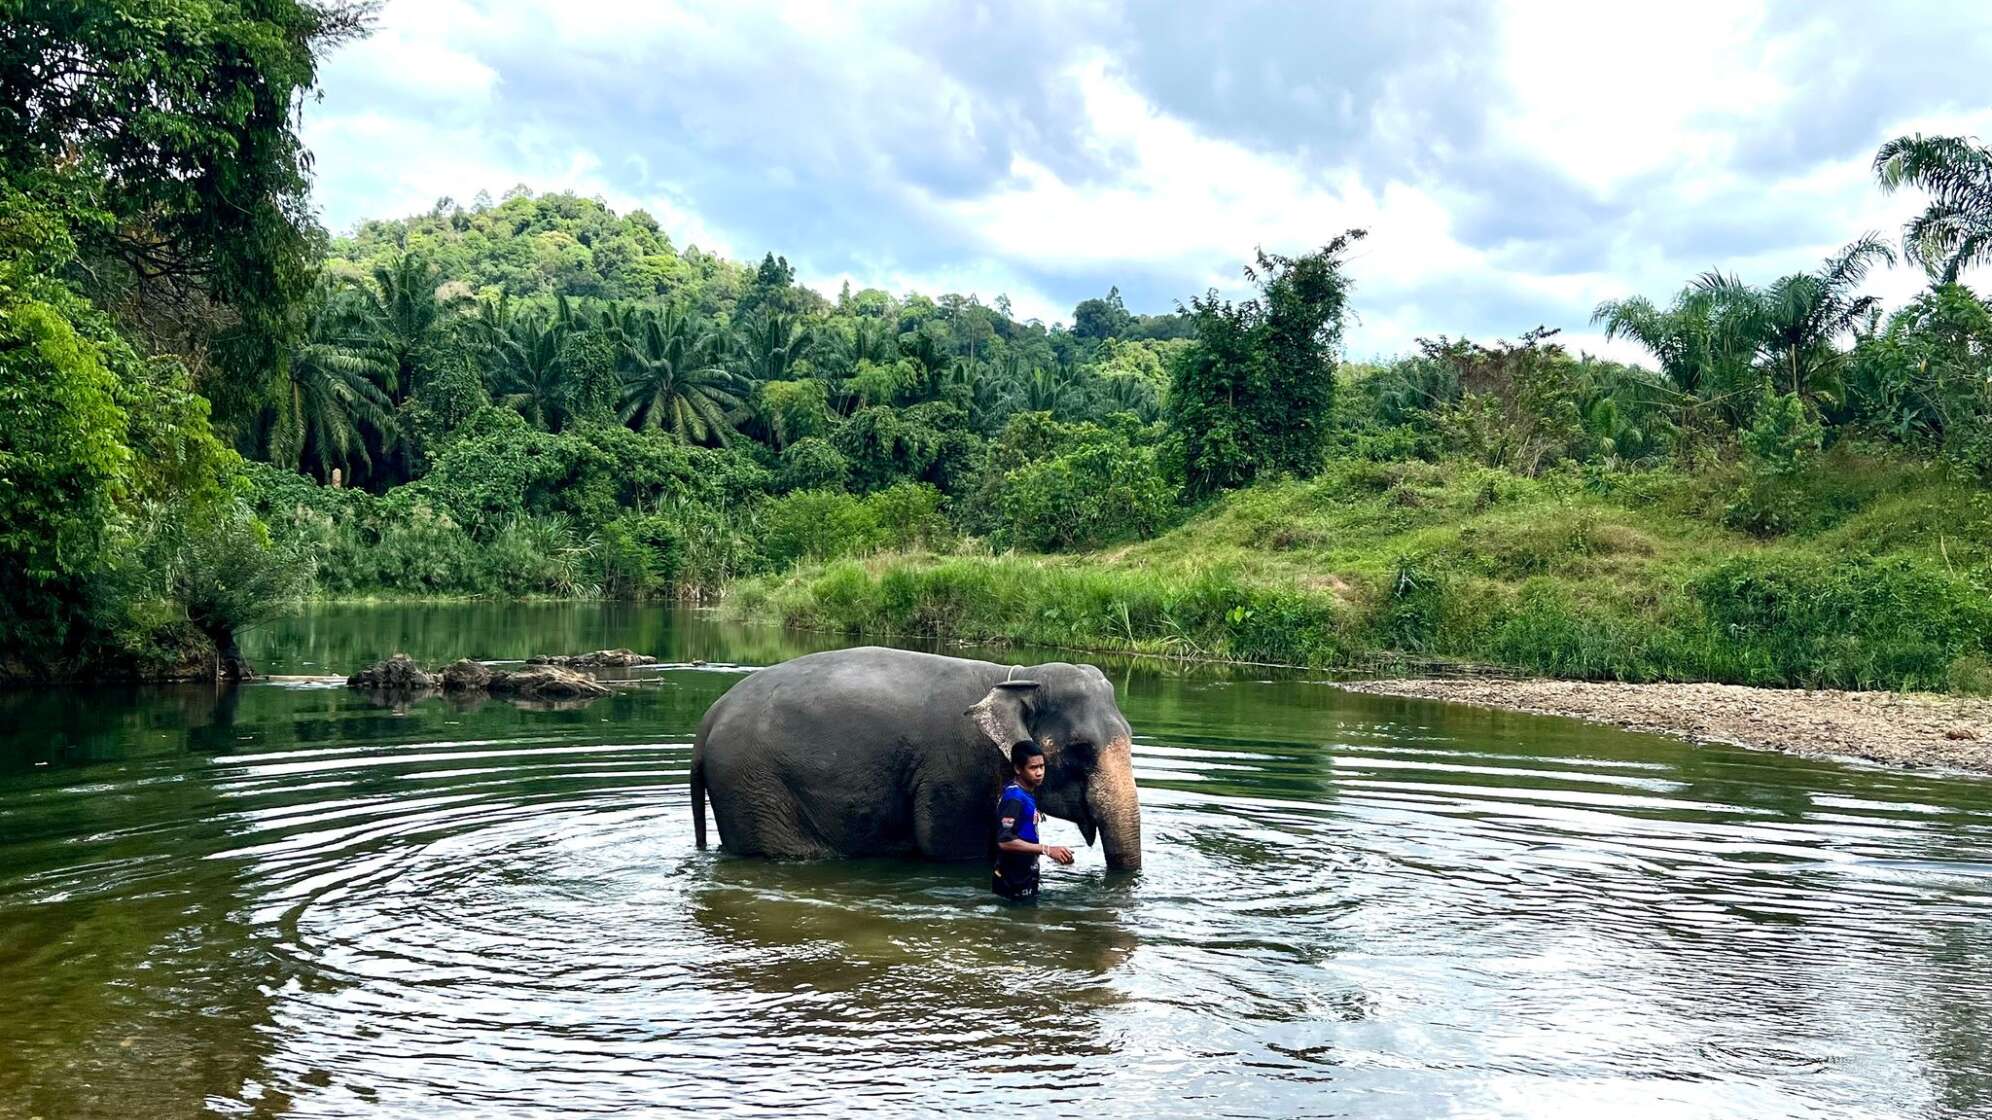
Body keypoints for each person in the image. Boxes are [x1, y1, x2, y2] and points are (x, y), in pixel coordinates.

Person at [992, 742, 1074, 901]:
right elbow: (1005, 841)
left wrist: (1055, 854)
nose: (1039, 773)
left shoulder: (1027, 793)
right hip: (1013, 877)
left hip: (1025, 872)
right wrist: (1047, 850)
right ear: (1018, 769)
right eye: (1033, 768)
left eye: (1042, 767)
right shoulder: (1014, 798)